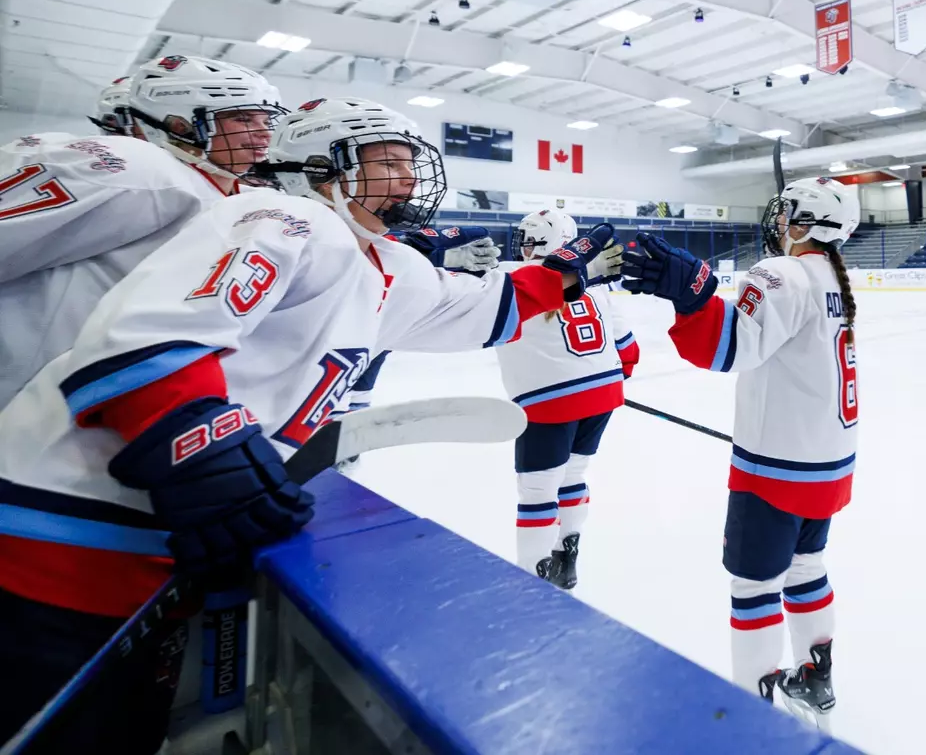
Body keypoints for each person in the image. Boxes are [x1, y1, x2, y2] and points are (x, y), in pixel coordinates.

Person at [0, 97, 619, 753]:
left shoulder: (390, 266)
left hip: (152, 552)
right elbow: (157, 334)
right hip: (61, 535)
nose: (409, 179)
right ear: (324, 170)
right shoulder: (283, 217)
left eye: (412, 163)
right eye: (388, 162)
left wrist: (563, 270)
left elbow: (480, 309)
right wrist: (208, 452)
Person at [621, 176, 860, 726]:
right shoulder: (833, 278)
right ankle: (814, 673)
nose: (778, 223)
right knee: (806, 567)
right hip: (827, 463)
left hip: (776, 470)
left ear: (805, 222)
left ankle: (755, 707)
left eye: (786, 215)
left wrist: (692, 293)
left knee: (753, 585)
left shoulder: (781, 272)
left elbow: (728, 346)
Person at [0, 55, 283, 411]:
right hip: (28, 393)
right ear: (179, 124)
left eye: (266, 118)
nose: (264, 131)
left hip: (115, 396)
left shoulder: (238, 194)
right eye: (243, 118)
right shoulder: (140, 169)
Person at [498, 206, 639, 588]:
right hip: (603, 392)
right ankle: (566, 555)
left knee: (538, 489)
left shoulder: (512, 276)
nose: (524, 246)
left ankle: (532, 577)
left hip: (549, 399)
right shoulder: (599, 287)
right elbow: (628, 348)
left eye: (530, 239)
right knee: (573, 475)